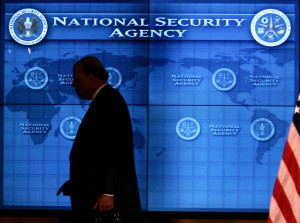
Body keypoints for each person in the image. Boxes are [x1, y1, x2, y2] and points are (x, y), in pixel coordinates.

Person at [57, 56, 143, 223]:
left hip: (102, 200)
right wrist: (77, 182)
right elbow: (97, 152)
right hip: (92, 191)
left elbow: (114, 149)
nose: (74, 84)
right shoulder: (105, 100)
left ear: (91, 79)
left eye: (77, 79)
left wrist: (108, 192)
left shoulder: (109, 101)